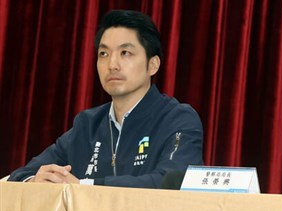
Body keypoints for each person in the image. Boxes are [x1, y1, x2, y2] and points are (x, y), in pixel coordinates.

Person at [8, 10, 203, 188]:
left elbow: (173, 181)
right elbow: (21, 174)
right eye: (104, 54)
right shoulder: (88, 124)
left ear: (152, 65)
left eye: (125, 53)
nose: (112, 64)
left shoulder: (178, 119)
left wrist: (84, 186)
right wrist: (34, 181)